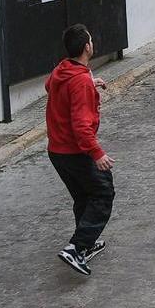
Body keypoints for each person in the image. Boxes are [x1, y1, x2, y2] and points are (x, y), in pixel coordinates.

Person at [46, 24, 115, 276]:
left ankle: (86, 244)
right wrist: (97, 154)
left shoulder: (62, 70)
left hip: (56, 151)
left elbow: (50, 86)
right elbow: (81, 127)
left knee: (83, 197)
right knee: (103, 193)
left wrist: (88, 82)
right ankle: (77, 248)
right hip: (74, 151)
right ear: (87, 47)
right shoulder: (79, 81)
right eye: (91, 40)